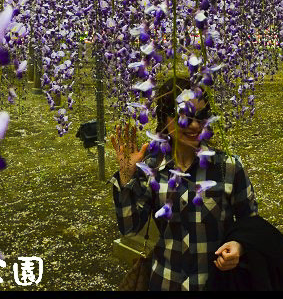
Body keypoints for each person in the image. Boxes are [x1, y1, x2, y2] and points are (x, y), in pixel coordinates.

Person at [109, 75, 258, 290]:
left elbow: (251, 224)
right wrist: (126, 177)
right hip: (166, 282)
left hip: (215, 283)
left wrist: (239, 246)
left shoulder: (228, 167)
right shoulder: (152, 168)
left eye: (202, 116)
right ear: (165, 118)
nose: (195, 125)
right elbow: (130, 227)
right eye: (185, 117)